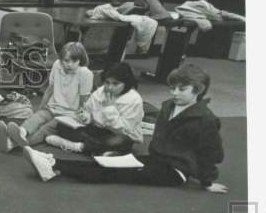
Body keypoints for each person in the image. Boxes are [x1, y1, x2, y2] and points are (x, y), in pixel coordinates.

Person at [23, 63, 226, 192]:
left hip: (175, 172)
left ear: (198, 90)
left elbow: (211, 154)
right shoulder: (168, 106)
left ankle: (54, 164)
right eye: (172, 88)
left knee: (114, 172)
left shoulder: (205, 119)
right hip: (155, 159)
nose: (174, 93)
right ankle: (53, 165)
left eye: (182, 89)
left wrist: (207, 182)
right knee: (107, 163)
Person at [0, 41, 92, 152]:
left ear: (80, 60)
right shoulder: (57, 65)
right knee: (35, 119)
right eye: (66, 61)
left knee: (44, 129)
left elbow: (84, 101)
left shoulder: (85, 73)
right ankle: (20, 133)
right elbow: (49, 89)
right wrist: (40, 108)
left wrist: (81, 117)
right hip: (52, 107)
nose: (69, 64)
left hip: (68, 114)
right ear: (61, 59)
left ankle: (14, 143)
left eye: (74, 61)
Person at [43, 62, 144, 155]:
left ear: (126, 83)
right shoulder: (101, 91)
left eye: (115, 84)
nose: (109, 87)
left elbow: (123, 130)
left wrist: (109, 108)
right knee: (62, 126)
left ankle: (77, 146)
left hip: (118, 134)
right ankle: (95, 148)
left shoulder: (134, 100)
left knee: (121, 141)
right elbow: (88, 109)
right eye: (107, 82)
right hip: (98, 131)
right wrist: (86, 117)